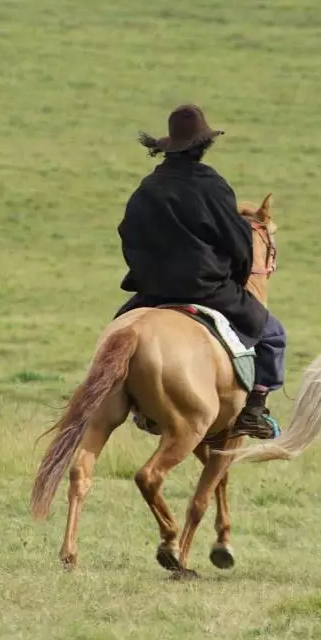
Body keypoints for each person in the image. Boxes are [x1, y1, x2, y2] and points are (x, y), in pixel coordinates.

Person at [113, 104, 285, 440]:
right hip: (207, 290)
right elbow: (238, 242)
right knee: (273, 335)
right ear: (203, 145)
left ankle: (134, 403)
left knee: (118, 331)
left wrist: (146, 273)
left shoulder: (148, 188)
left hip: (153, 291)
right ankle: (253, 411)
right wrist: (234, 275)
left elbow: (127, 233)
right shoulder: (211, 186)